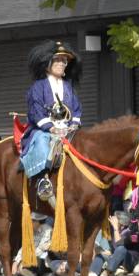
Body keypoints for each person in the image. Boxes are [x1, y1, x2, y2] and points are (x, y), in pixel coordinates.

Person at [20, 40, 83, 202]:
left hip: (68, 128)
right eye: (58, 60)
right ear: (47, 64)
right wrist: (51, 128)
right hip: (44, 129)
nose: (62, 63)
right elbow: (35, 110)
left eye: (64, 61)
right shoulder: (38, 86)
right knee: (42, 142)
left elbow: (76, 108)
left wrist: (74, 124)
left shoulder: (68, 86)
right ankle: (43, 180)